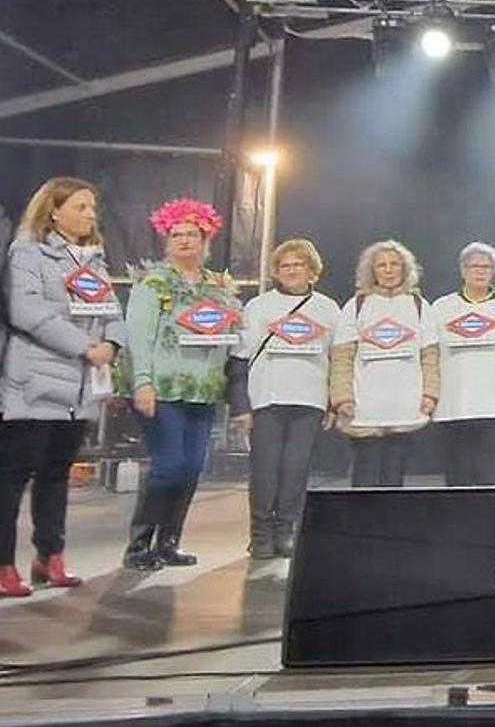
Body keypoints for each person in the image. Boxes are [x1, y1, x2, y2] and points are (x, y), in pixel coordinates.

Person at [0, 178, 125, 595]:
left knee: (56, 475)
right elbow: (25, 309)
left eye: (93, 207)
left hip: (78, 390)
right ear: (54, 211)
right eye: (81, 206)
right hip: (32, 383)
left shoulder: (95, 260)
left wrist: (111, 342)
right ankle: (3, 565)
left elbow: (111, 310)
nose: (91, 214)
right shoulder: (27, 251)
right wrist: (85, 346)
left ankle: (49, 556)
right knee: (12, 476)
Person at [123, 198, 243, 570]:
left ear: (206, 240)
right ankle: (139, 545)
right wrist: (142, 382)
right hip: (163, 387)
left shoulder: (218, 286)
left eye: (192, 234)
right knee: (168, 464)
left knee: (192, 466)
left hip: (203, 390)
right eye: (178, 235)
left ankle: (169, 541)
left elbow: (229, 334)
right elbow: (138, 337)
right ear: (167, 239)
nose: (185, 241)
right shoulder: (154, 283)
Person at [227, 238, 341, 559]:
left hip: (310, 401)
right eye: (285, 265)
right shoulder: (259, 306)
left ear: (312, 270)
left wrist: (333, 401)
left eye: (298, 265)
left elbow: (338, 357)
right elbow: (239, 359)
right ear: (277, 271)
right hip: (266, 399)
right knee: (265, 469)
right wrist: (240, 405)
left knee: (296, 469)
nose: (292, 270)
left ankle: (286, 530)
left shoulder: (328, 308)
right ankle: (260, 534)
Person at [330, 240, 438, 488]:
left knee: (394, 478)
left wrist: (430, 395)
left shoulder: (419, 306)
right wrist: (342, 398)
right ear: (372, 270)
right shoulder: (356, 306)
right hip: (365, 407)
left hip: (405, 406)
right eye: (382, 265)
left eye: (394, 265)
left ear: (404, 269)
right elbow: (342, 358)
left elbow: (430, 357)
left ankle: (392, 525)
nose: (388, 270)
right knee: (364, 477)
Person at [431, 242, 495, 487]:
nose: (480, 271)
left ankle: (488, 523)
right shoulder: (441, 307)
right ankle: (456, 522)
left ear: (494, 270)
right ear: (463, 270)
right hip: (452, 404)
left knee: (489, 472)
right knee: (457, 471)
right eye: (474, 266)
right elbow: (429, 353)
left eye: (486, 266)